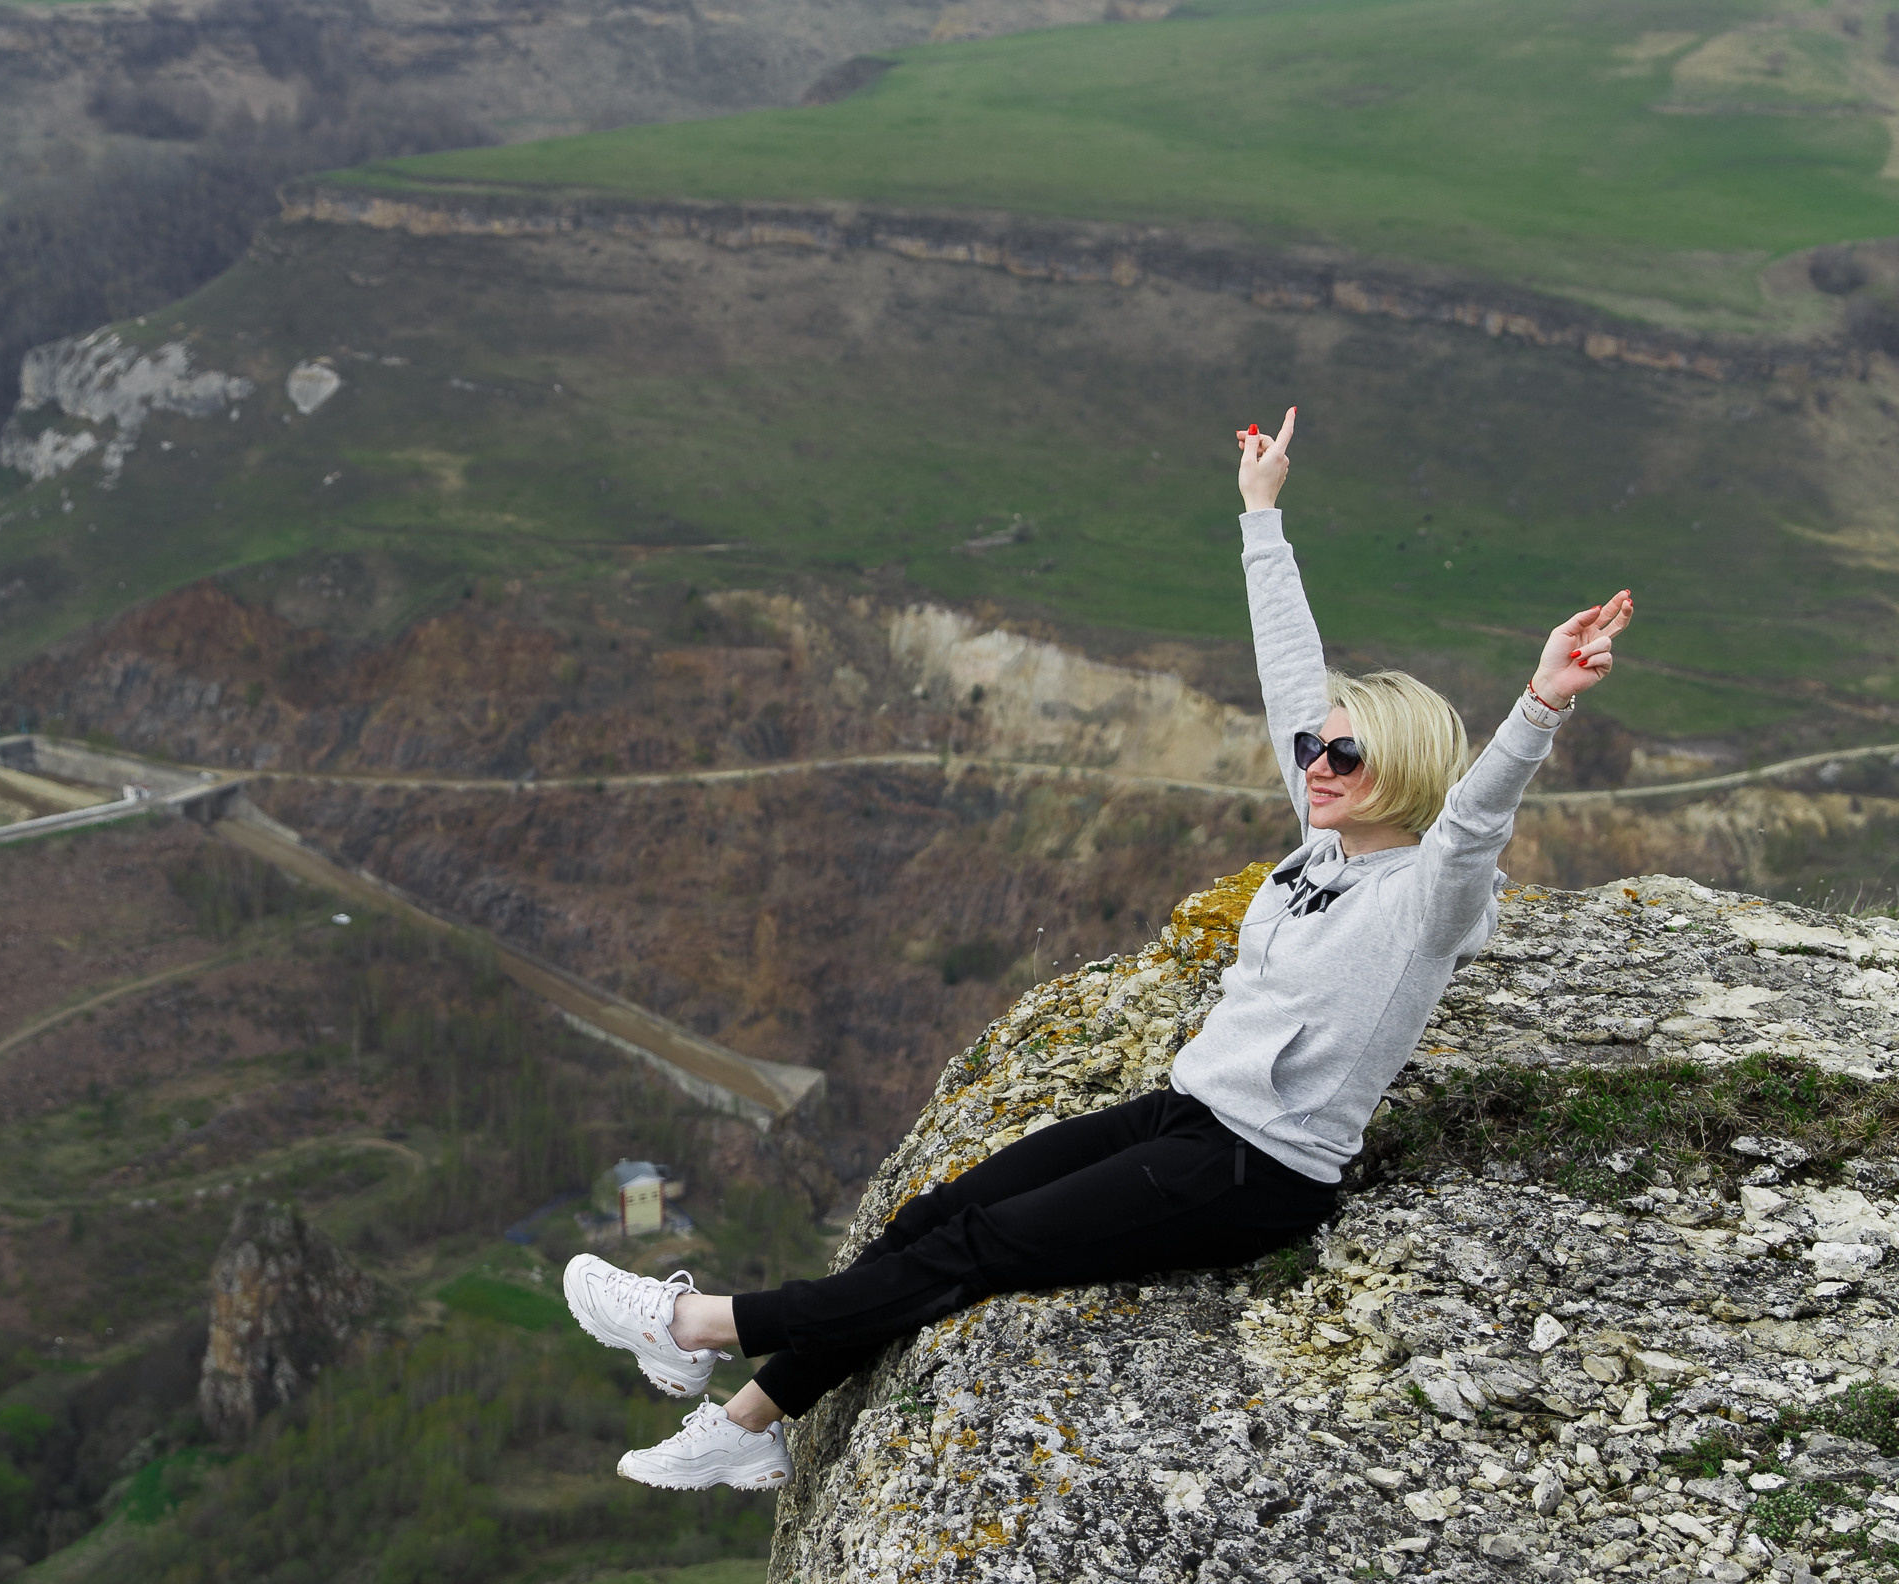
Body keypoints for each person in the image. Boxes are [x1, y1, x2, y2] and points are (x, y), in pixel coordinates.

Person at [564, 405, 1631, 1487]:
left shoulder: (1426, 899)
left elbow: (1476, 825)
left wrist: (1539, 705)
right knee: (942, 1211)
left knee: (969, 1256)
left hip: (1256, 1168)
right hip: (1186, 1113)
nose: (1313, 760)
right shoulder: (1324, 842)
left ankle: (697, 1323)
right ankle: (749, 1428)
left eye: (1341, 754)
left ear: (1398, 772)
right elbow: (1286, 671)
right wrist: (1261, 515)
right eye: (1313, 746)